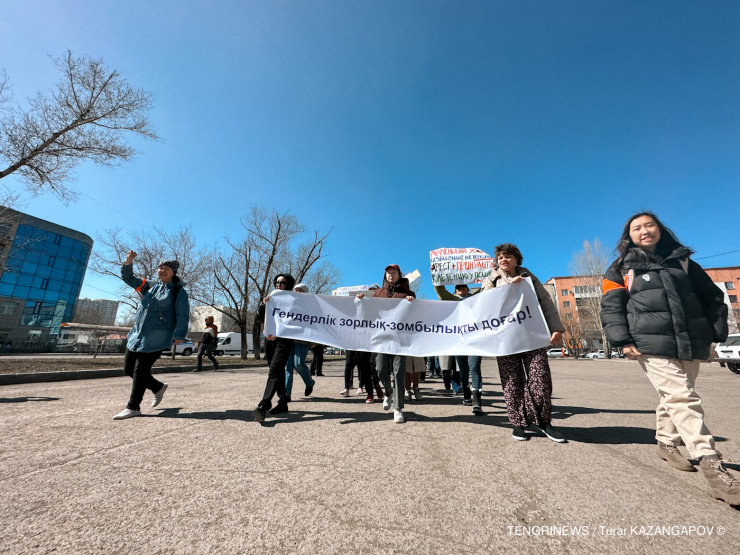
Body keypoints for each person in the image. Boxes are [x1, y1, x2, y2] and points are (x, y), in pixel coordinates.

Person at [601, 212, 739, 505]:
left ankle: (665, 443)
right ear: (628, 236)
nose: (644, 230)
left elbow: (713, 297)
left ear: (660, 229)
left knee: (674, 396)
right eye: (636, 228)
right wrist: (623, 340)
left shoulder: (684, 263)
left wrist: (715, 332)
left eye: (649, 225)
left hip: (690, 340)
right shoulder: (620, 268)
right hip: (648, 343)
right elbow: (611, 307)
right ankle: (712, 466)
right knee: (682, 397)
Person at [481, 243, 565, 442]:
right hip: (506, 340)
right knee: (511, 381)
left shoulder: (529, 277)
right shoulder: (491, 280)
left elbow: (545, 301)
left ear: (516, 259)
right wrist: (510, 288)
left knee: (540, 378)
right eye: (500, 257)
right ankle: (518, 422)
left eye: (508, 256)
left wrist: (556, 327)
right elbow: (485, 305)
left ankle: (543, 421)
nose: (504, 260)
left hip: (532, 335)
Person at [113, 251, 190, 420]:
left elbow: (183, 315)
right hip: (138, 334)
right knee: (128, 369)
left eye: (167, 269)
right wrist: (129, 261)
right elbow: (128, 278)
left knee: (141, 370)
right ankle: (157, 387)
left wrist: (179, 335)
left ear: (173, 272)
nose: (162, 270)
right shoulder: (150, 286)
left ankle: (133, 407)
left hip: (157, 337)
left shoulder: (178, 292)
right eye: (160, 268)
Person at [358, 264, 416, 423]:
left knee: (399, 373)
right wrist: (361, 301)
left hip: (400, 339)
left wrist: (412, 302)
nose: (391, 275)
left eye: (394, 272)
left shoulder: (408, 293)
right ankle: (389, 393)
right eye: (388, 273)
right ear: (385, 276)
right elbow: (369, 312)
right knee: (381, 369)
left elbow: (415, 314)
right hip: (382, 339)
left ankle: (398, 408)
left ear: (399, 275)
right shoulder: (378, 293)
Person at [433, 281, 483, 414]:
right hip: (459, 340)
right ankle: (466, 393)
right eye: (458, 287)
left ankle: (477, 400)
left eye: (463, 286)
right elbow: (441, 291)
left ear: (467, 288)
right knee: (463, 369)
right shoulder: (452, 299)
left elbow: (487, 288)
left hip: (475, 338)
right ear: (455, 290)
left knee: (474, 367)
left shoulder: (476, 297)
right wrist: (437, 276)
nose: (461, 288)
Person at [252, 273, 296, 422]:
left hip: (284, 341)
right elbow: (259, 319)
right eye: (276, 282)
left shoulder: (295, 301)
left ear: (288, 285)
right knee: (277, 371)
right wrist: (263, 305)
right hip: (270, 340)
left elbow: (297, 322)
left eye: (282, 283)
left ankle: (263, 405)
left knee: (275, 371)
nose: (278, 285)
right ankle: (282, 402)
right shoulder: (271, 299)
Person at [284, 283, 316, 402]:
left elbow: (317, 323)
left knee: (298, 364)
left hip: (302, 340)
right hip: (288, 339)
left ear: (306, 293)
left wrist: (315, 341)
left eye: (300, 290)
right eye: (295, 290)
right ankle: (287, 394)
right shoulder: (289, 304)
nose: (297, 292)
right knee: (288, 367)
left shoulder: (311, 307)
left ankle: (309, 382)